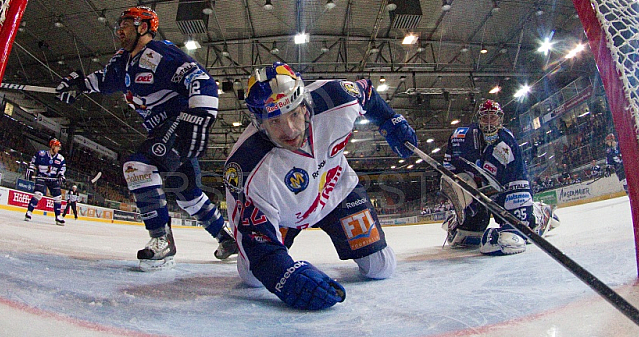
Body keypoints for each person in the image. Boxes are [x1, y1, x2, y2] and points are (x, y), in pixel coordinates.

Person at [223, 62, 417, 310]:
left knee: (381, 267)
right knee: (252, 277)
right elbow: (256, 243)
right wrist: (289, 280)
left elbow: (366, 91)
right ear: (260, 124)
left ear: (305, 105)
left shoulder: (337, 96)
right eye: (275, 122)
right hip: (284, 216)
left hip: (339, 193)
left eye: (294, 113)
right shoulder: (244, 165)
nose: (289, 130)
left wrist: (390, 120)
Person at [55, 6, 237, 269]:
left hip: (178, 124)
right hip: (162, 131)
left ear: (144, 27)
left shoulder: (160, 53)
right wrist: (79, 84)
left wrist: (202, 114)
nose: (120, 29)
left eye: (127, 24)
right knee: (186, 193)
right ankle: (226, 238)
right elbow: (106, 80)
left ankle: (161, 239)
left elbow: (201, 78)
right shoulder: (124, 60)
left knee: (137, 166)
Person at [441, 99, 558, 256]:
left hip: (503, 193)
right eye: (485, 118)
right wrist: (459, 190)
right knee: (469, 235)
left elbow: (518, 178)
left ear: (500, 119)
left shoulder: (508, 144)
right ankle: (457, 221)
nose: (489, 122)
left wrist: (519, 211)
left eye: (493, 118)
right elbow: (448, 169)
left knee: (516, 231)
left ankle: (538, 214)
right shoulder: (460, 137)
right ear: (478, 119)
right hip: (478, 195)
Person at [24, 138, 67, 226]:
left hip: (52, 178)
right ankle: (29, 212)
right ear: (52, 146)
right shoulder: (41, 154)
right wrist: (31, 170)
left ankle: (58, 216)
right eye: (57, 147)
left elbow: (62, 168)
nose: (58, 149)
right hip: (41, 176)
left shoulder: (60, 158)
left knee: (58, 197)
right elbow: (32, 163)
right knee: (38, 194)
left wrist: (61, 175)